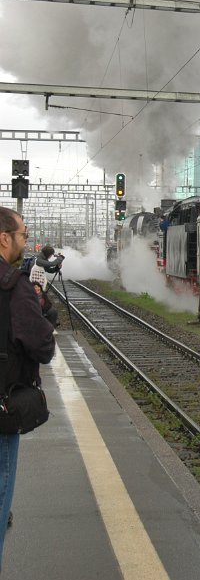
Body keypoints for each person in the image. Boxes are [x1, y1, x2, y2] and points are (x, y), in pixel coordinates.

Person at [0, 206, 56, 571]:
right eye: (23, 235)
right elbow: (42, 346)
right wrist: (42, 310)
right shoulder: (13, 285)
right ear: (4, 238)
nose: (26, 241)